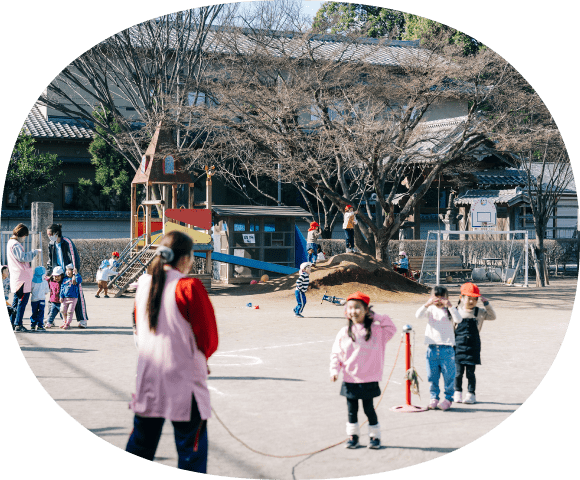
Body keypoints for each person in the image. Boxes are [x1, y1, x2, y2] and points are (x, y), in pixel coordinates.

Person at [126, 231, 218, 473]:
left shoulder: (144, 284)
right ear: (186, 258)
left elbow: (138, 328)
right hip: (184, 379)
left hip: (149, 375)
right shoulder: (189, 286)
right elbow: (208, 338)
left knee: (140, 446)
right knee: (190, 453)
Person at [330, 292, 397, 449]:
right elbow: (336, 353)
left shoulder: (378, 331)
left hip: (369, 379)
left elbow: (391, 327)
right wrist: (334, 370)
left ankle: (375, 437)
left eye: (358, 308)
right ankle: (353, 437)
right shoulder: (344, 332)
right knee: (351, 411)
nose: (353, 311)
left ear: (367, 310)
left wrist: (374, 316)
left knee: (369, 410)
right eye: (350, 308)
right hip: (350, 379)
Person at [416, 286, 462, 411]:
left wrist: (450, 306)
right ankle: (434, 398)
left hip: (446, 349)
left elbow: (459, 319)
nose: (439, 299)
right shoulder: (430, 309)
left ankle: (448, 399)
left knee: (449, 376)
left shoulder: (450, 310)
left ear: (447, 298)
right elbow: (418, 315)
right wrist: (427, 304)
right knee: (432, 376)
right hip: (431, 348)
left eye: (442, 297)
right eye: (436, 296)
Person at [454, 282, 497, 404]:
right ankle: (457, 392)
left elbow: (492, 316)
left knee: (470, 373)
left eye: (475, 299)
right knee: (457, 373)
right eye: (469, 298)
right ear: (461, 298)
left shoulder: (480, 312)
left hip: (473, 346)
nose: (471, 301)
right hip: (458, 346)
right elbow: (452, 329)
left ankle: (471, 394)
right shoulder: (455, 311)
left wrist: (486, 304)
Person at [46, 223, 88, 328]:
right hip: (58, 274)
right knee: (54, 296)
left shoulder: (67, 242)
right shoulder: (51, 244)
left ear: (56, 233)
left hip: (70, 273)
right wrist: (49, 273)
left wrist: (74, 274)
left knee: (77, 295)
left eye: (50, 234)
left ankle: (83, 320)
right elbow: (50, 260)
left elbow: (75, 258)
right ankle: (50, 319)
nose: (49, 236)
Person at [7, 224, 41, 332]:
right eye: (25, 236)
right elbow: (23, 257)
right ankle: (18, 324)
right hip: (22, 278)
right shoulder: (16, 245)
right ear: (21, 234)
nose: (24, 238)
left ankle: (12, 323)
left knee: (16, 302)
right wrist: (34, 252)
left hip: (17, 278)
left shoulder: (10, 243)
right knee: (21, 303)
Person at [59, 264, 82, 330]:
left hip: (73, 298)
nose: (68, 272)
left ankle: (68, 323)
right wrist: (61, 296)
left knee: (70, 311)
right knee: (63, 310)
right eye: (67, 270)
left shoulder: (75, 278)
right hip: (65, 298)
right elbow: (62, 288)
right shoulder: (64, 279)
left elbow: (79, 281)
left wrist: (76, 274)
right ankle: (65, 321)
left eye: (70, 270)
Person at [29, 266, 49, 331]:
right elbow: (47, 291)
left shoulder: (32, 281)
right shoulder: (45, 282)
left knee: (34, 312)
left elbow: (31, 290)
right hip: (42, 299)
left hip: (34, 299)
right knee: (41, 312)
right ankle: (40, 326)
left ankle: (33, 325)